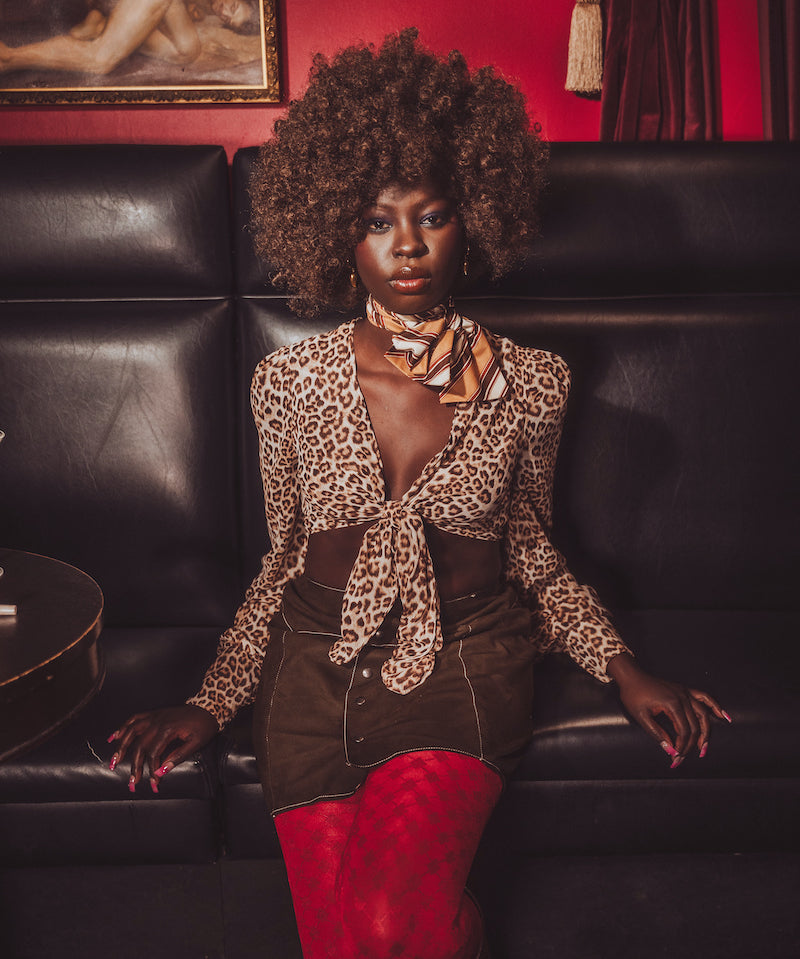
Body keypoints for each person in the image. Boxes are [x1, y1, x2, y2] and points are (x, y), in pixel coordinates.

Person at [105, 28, 730, 959]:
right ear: (338, 232)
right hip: (312, 674)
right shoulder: (287, 383)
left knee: (389, 925)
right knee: (343, 946)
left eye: (432, 216)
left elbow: (529, 548)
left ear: (472, 220)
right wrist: (213, 697)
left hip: (463, 660)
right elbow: (283, 561)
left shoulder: (531, 383)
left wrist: (621, 665)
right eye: (376, 220)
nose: (406, 246)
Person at [0, 0, 259, 77]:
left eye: (228, 19)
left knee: (187, 51)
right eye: (233, 6)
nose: (224, 12)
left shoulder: (205, 11)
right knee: (100, 61)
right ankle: (9, 57)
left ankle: (102, 23)